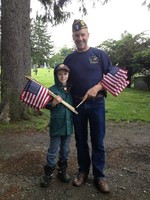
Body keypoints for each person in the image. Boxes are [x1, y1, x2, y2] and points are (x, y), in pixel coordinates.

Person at [64, 19, 113, 193]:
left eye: (82, 34)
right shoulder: (69, 59)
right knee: (81, 141)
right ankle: (83, 171)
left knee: (98, 141)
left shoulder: (100, 55)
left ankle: (99, 176)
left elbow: (112, 75)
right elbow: (64, 83)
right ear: (73, 37)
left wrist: (97, 87)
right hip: (77, 104)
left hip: (97, 104)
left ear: (88, 35)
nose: (80, 38)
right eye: (76, 35)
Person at [40, 63, 73, 188]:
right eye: (60, 74)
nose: (63, 76)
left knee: (65, 150)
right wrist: (53, 103)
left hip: (69, 125)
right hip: (56, 125)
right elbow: (45, 105)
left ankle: (62, 171)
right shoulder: (52, 90)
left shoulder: (71, 90)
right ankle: (48, 173)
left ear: (68, 75)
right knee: (53, 150)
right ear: (56, 75)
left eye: (65, 74)